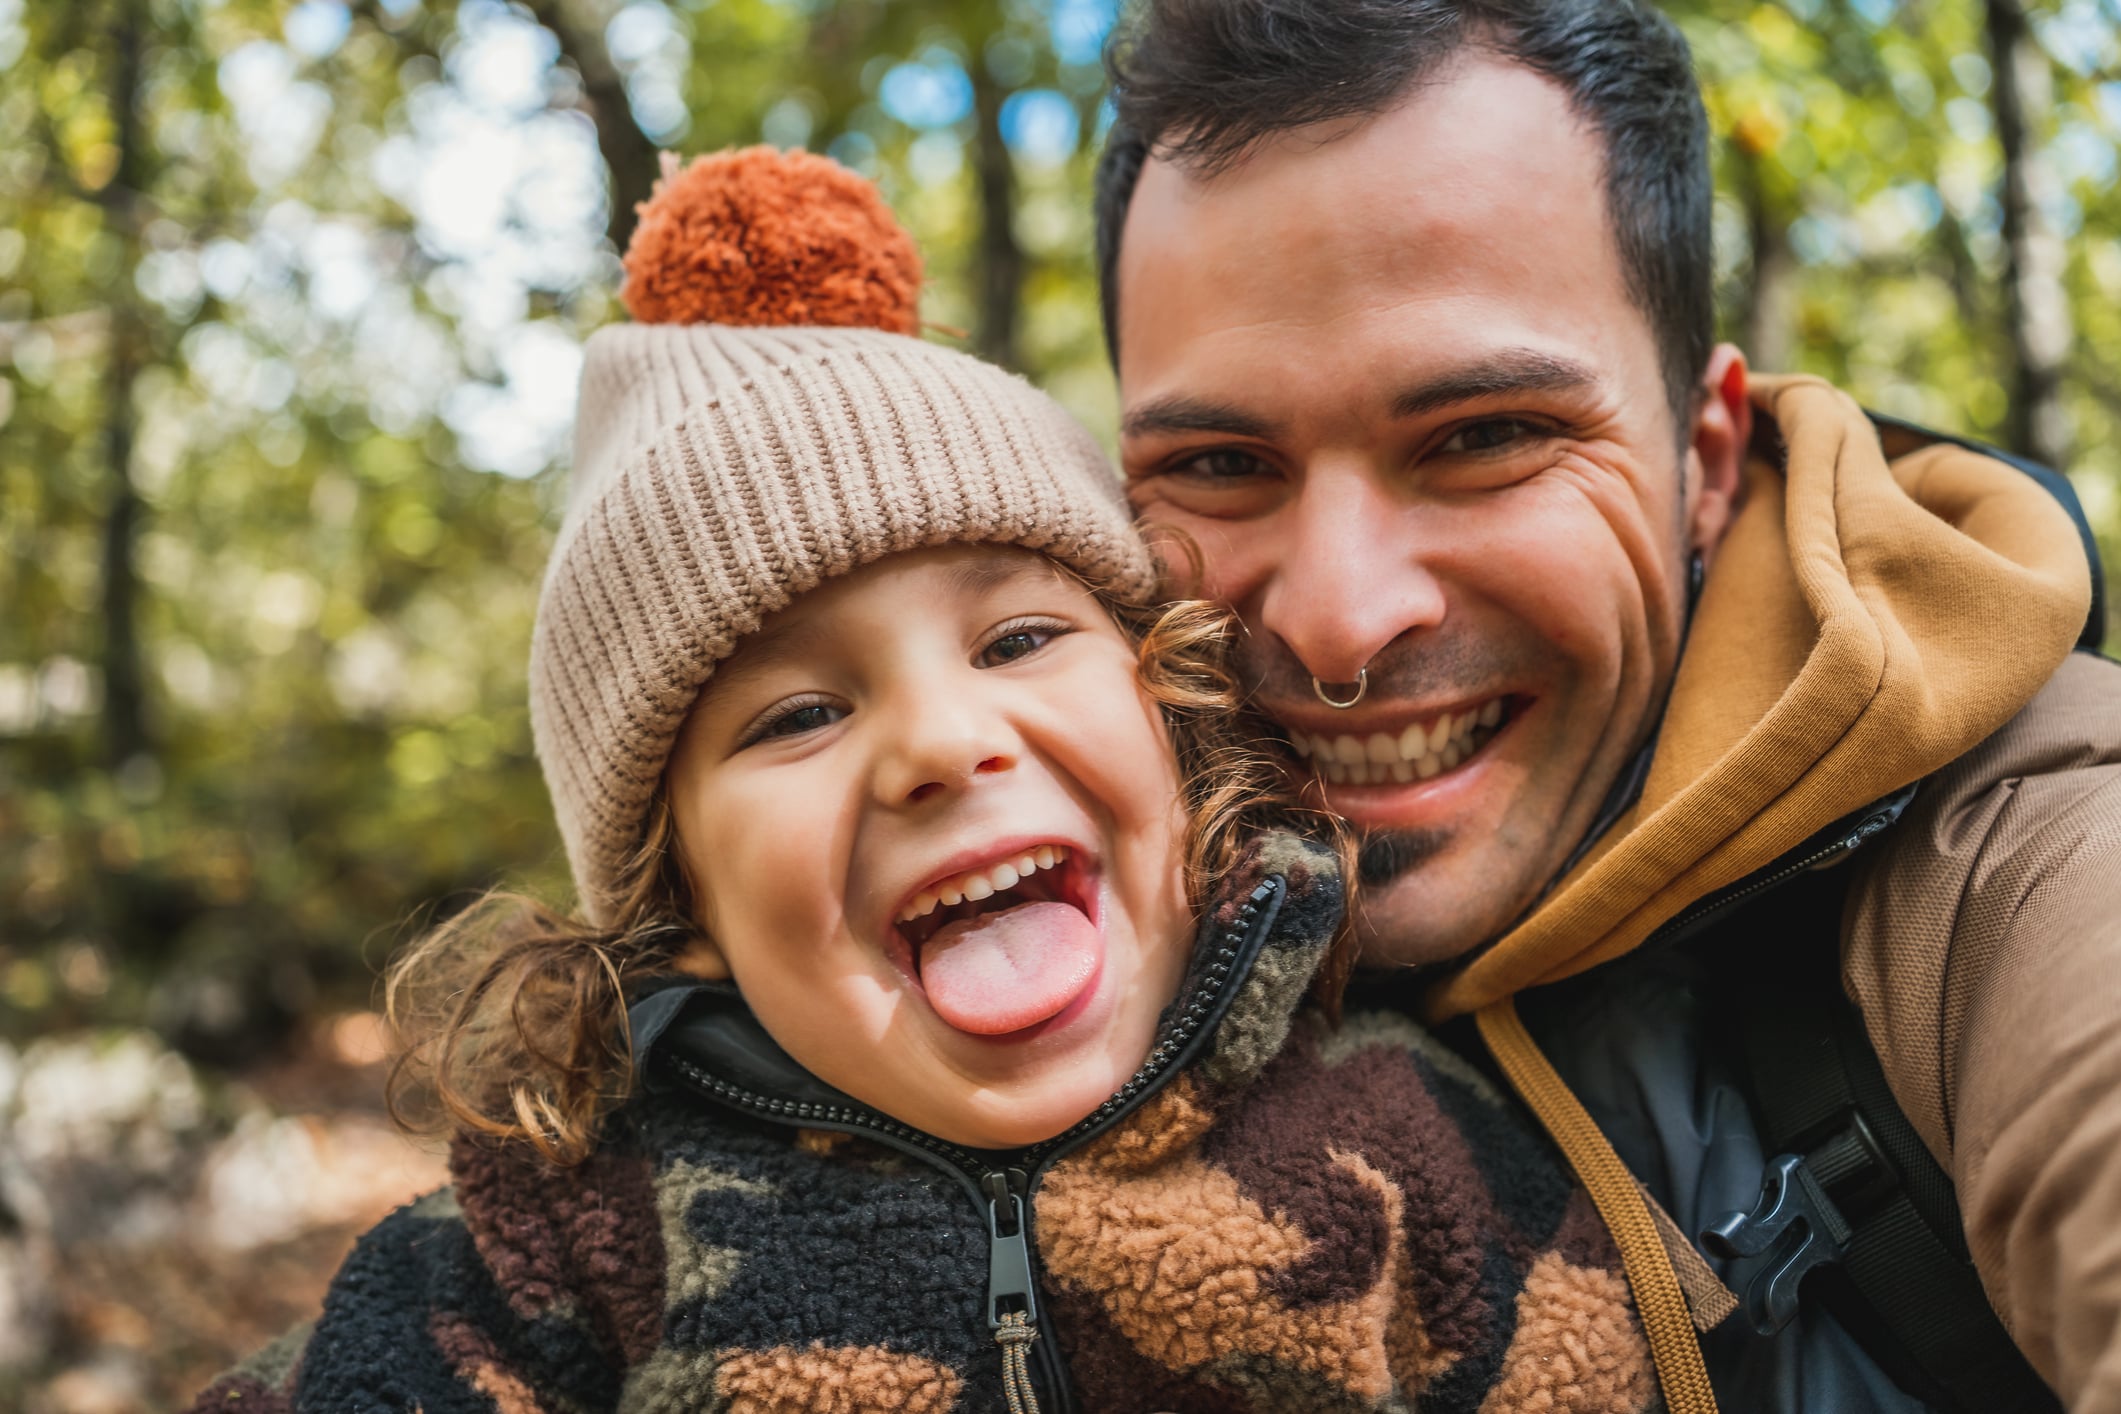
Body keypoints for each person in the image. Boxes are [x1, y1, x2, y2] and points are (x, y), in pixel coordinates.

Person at [187, 147, 1664, 1414]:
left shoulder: (1416, 1145)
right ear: (680, 897)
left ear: (1174, 720)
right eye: (794, 716)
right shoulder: (551, 1245)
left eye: (1018, 637)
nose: (943, 744)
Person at [1094, 0, 2119, 1410]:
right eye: (1217, 464)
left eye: (1485, 438)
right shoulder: (1024, 892)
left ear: (1702, 457)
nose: (1336, 621)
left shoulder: (2029, 866)